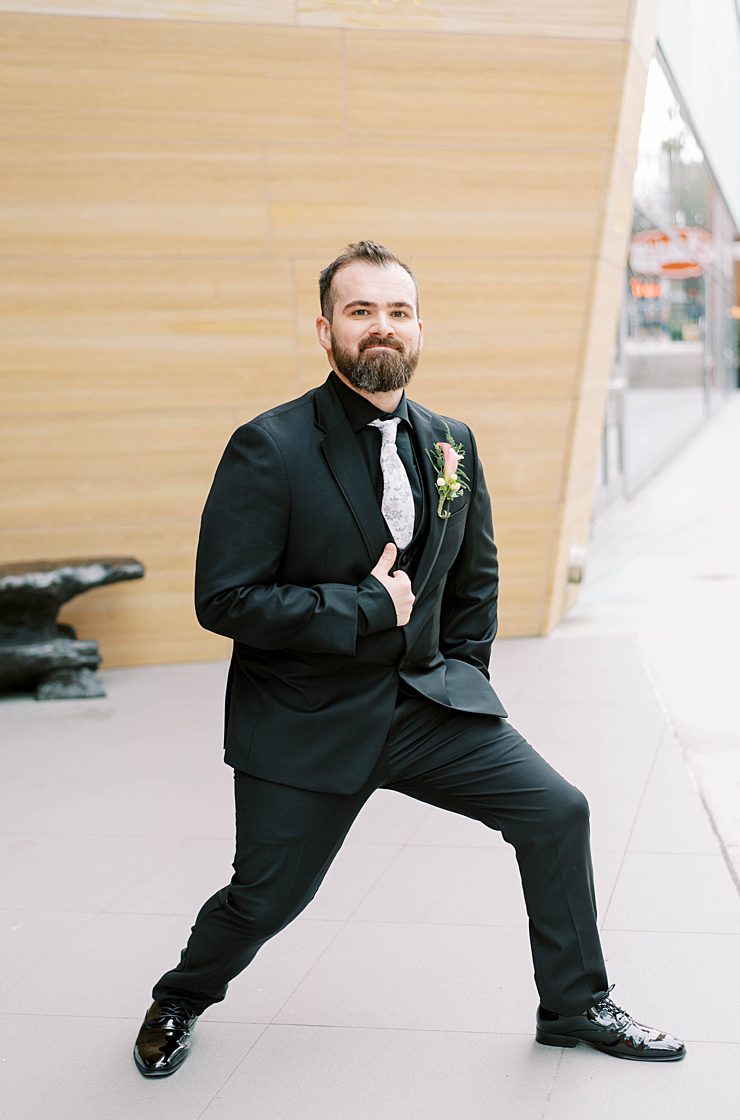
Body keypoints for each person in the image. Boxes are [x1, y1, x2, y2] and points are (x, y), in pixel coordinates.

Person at [133, 241, 684, 1077]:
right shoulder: (269, 446)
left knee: (556, 810)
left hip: (428, 705)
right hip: (305, 722)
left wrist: (464, 677)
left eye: (397, 311)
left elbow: (475, 578)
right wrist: (361, 607)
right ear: (326, 331)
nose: (380, 327)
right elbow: (224, 601)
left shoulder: (450, 440)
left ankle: (573, 1005)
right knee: (267, 898)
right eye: (360, 311)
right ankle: (179, 997)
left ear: (420, 326)